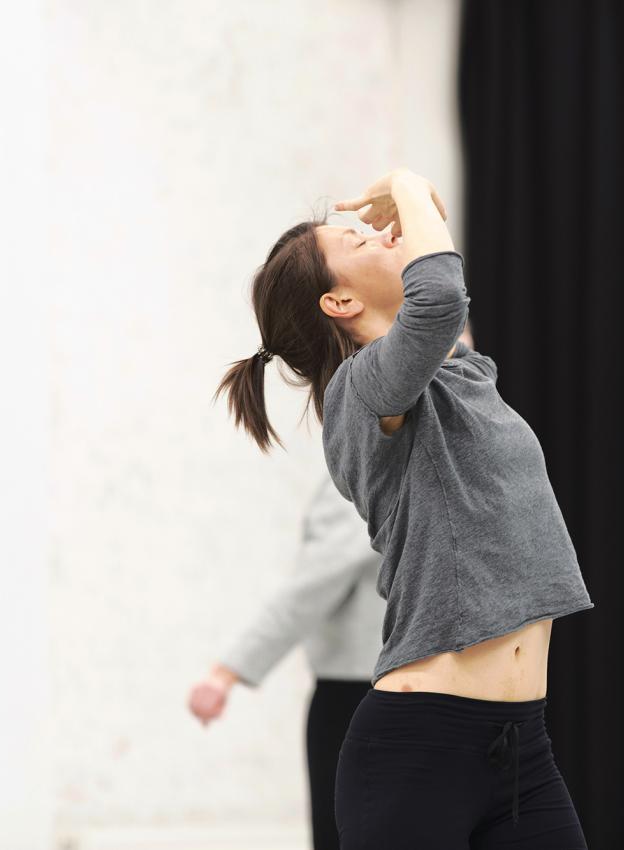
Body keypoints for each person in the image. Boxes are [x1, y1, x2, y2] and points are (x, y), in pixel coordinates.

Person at [215, 167, 594, 849]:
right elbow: (439, 296)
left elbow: (446, 302)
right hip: (420, 750)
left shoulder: (453, 374)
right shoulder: (361, 393)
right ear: (338, 304)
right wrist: (410, 187)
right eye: (358, 243)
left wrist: (420, 220)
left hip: (520, 751)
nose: (380, 235)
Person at [185, 470, 384, 850]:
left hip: (357, 696)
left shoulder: (366, 473)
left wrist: (225, 672)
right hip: (396, 689)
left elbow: (310, 588)